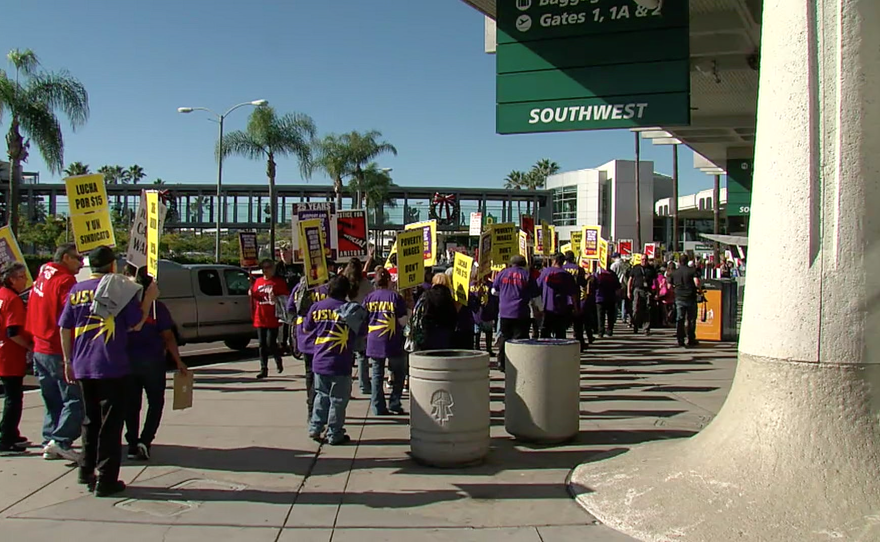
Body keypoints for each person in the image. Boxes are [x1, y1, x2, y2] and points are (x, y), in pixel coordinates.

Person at [59, 246, 158, 497]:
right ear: (112, 265)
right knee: (111, 424)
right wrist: (148, 298)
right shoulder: (116, 289)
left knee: (89, 421)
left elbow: (64, 327)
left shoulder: (77, 289)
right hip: (111, 364)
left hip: (82, 364)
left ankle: (85, 469)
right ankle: (106, 479)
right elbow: (136, 323)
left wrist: (68, 360)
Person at [25, 242, 84, 461]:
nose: (81, 263)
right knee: (74, 399)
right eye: (78, 258)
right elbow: (71, 315)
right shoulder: (65, 281)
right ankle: (60, 441)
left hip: (39, 346)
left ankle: (49, 439)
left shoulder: (43, 274)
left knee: (51, 398)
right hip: (56, 347)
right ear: (66, 258)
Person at [123, 267, 188, 461]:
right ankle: (145, 440)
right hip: (152, 361)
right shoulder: (157, 308)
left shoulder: (126, 307)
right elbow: (168, 337)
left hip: (128, 362)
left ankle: (133, 441)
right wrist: (178, 361)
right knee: (155, 402)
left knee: (132, 405)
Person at [303, 275, 364, 445]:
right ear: (346, 291)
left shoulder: (317, 307)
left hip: (320, 359)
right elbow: (362, 332)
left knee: (321, 396)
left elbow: (307, 329)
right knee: (338, 400)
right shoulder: (350, 310)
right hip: (341, 360)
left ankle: (315, 428)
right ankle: (334, 433)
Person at [362, 267, 408, 416]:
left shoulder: (369, 298)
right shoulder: (395, 297)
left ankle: (377, 406)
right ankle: (394, 403)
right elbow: (402, 321)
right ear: (389, 281)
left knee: (376, 375)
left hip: (374, 340)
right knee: (399, 373)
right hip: (393, 339)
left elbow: (363, 318)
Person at [0, 263, 33, 455]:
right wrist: (29, 346)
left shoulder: (2, 295)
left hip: (4, 352)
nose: (25, 281)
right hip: (10, 355)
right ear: (11, 279)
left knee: (11, 396)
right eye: (22, 277)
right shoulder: (12, 299)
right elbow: (12, 331)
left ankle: (10, 431)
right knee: (13, 398)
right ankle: (6, 437)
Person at [493, 255, 537, 372]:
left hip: (504, 312)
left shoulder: (502, 273)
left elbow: (494, 290)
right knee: (520, 340)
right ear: (524, 264)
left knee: (505, 337)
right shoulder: (527, 275)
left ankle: (501, 362)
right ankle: (519, 363)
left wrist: (504, 296)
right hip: (521, 312)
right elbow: (535, 293)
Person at [250, 259, 290, 379]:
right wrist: (252, 293)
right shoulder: (258, 281)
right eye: (263, 268)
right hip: (260, 316)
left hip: (273, 316)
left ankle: (278, 360)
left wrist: (276, 297)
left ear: (273, 269)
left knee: (270, 343)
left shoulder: (278, 282)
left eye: (268, 267)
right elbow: (255, 297)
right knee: (262, 344)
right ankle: (264, 368)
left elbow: (285, 298)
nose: (265, 270)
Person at [344, 257, 374, 395]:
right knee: (362, 355)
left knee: (347, 356)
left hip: (346, 320)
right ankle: (364, 386)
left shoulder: (344, 282)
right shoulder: (366, 284)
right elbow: (371, 300)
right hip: (362, 320)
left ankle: (346, 387)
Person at [537, 253, 578, 339]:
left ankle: (545, 351)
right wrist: (576, 308)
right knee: (560, 332)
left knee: (545, 332)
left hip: (547, 307)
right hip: (562, 308)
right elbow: (573, 293)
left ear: (554, 261)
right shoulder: (567, 275)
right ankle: (559, 351)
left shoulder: (545, 272)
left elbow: (537, 287)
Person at [415, 273, 458, 351]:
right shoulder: (449, 297)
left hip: (429, 332)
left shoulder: (428, 294)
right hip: (446, 333)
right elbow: (453, 316)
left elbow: (424, 313)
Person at [671, 254, 701, 347]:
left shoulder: (674, 272)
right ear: (687, 261)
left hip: (679, 297)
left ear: (679, 261)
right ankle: (691, 338)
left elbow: (669, 285)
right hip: (690, 297)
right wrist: (699, 290)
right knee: (691, 319)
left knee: (680, 319)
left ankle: (680, 339)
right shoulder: (692, 271)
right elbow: (697, 283)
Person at [562, 251, 589, 351]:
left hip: (564, 299)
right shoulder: (579, 269)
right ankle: (580, 344)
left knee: (563, 325)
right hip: (576, 298)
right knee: (578, 325)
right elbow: (583, 283)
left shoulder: (562, 268)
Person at [628, 257, 656, 335]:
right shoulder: (636, 268)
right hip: (637, 290)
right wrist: (628, 291)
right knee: (636, 309)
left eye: (645, 260)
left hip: (647, 290)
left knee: (647, 309)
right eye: (642, 259)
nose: (644, 261)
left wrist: (656, 292)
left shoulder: (651, 269)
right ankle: (635, 325)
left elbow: (655, 281)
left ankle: (646, 328)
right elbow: (630, 279)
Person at [595, 261, 621, 337]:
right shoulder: (612, 274)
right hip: (610, 297)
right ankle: (609, 330)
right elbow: (618, 287)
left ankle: (601, 331)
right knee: (610, 316)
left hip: (600, 298)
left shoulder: (598, 274)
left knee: (600, 316)